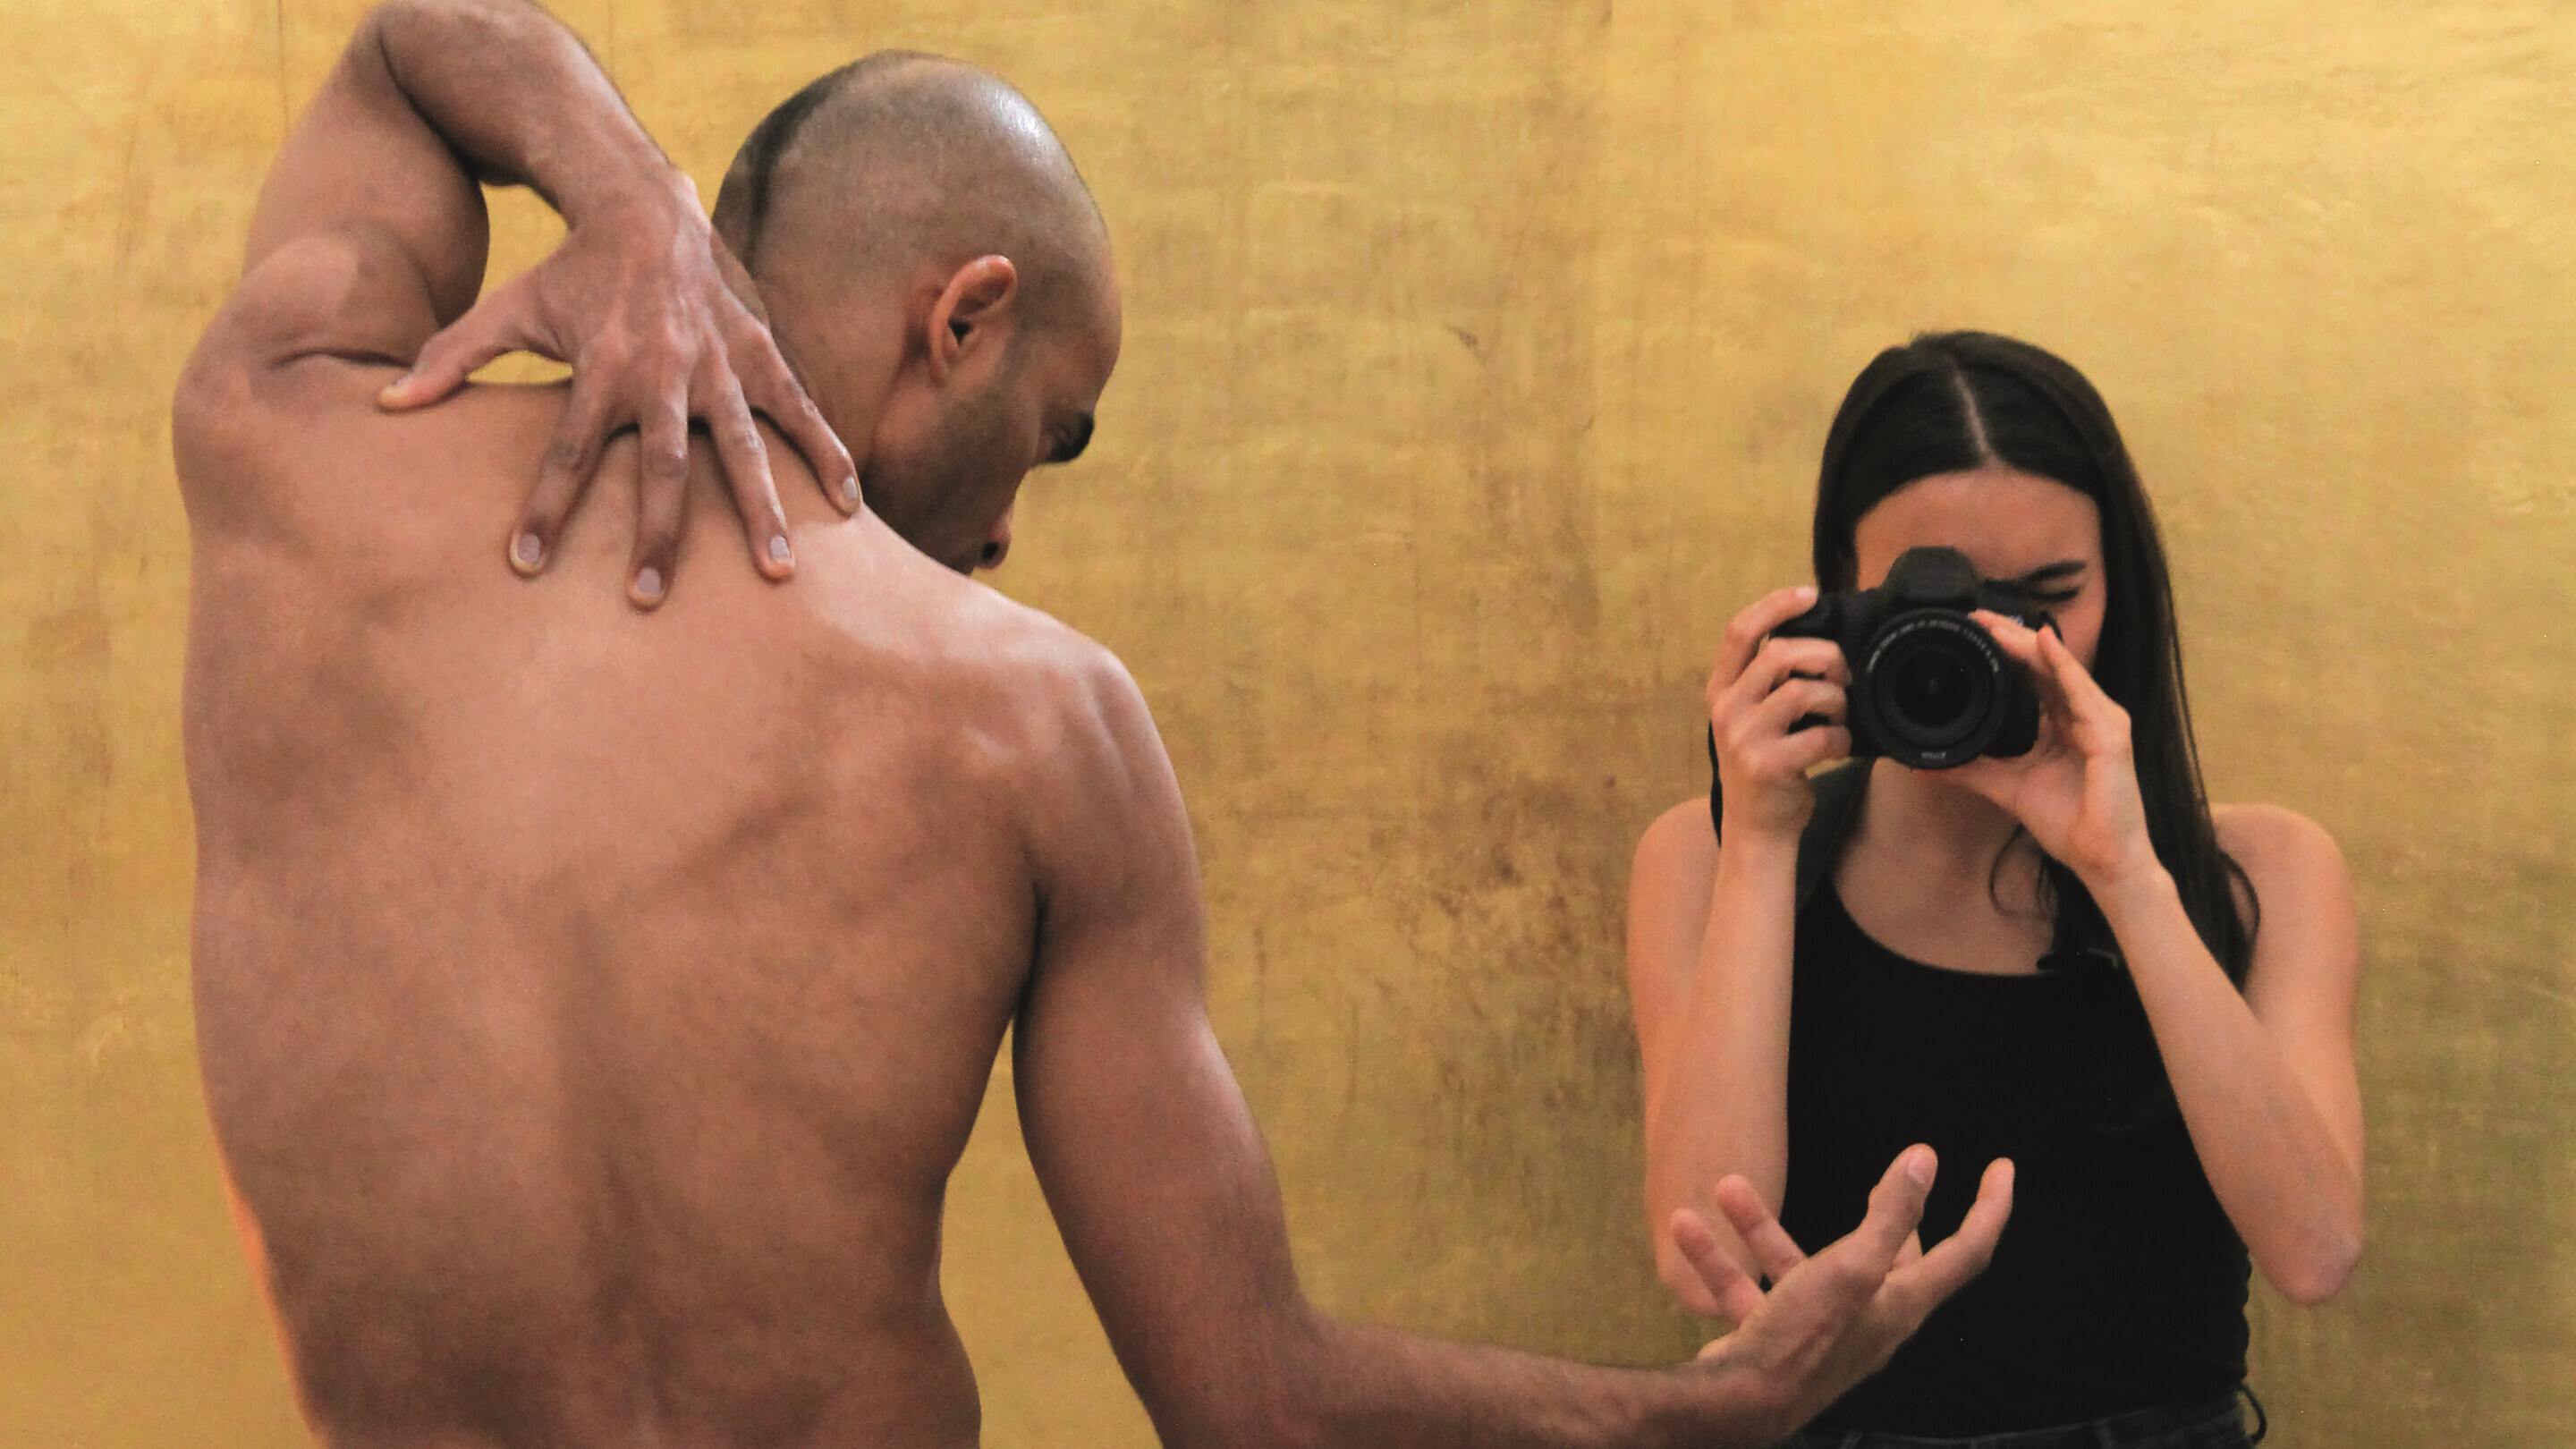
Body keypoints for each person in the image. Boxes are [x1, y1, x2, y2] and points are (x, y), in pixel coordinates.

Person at [173, 4, 2012, 1445]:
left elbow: (411, 38)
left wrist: (627, 199)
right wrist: (1717, 1409)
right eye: (1054, 435)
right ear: (965, 317)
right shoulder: (1032, 718)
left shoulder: (292, 451)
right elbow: (1255, 1404)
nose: (1003, 530)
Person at [1626, 332, 2364, 1449]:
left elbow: (2316, 1251)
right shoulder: (1707, 856)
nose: (1992, 643)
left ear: (2120, 587)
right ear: (1837, 593)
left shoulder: (2264, 872)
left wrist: (2127, 875)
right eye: (1928, 601)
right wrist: (1765, 842)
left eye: (2048, 597)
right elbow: (1707, 1259)